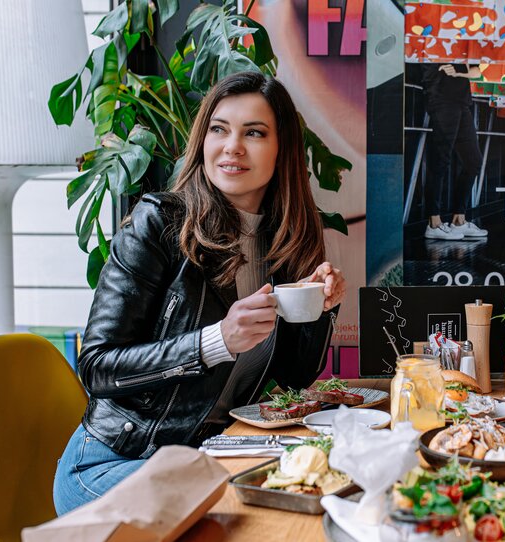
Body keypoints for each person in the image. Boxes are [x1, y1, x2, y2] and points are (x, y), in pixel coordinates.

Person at [53, 72, 346, 514]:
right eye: (219, 129)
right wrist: (216, 342)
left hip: (208, 457)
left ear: (282, 148)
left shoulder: (283, 242)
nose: (232, 147)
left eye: (254, 133)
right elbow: (97, 367)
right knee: (246, 509)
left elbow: (293, 379)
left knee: (319, 482)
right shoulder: (158, 224)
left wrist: (320, 309)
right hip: (114, 462)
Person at [420, 62, 487, 240]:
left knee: (474, 162)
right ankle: (434, 223)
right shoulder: (436, 47)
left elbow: (477, 71)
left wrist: (459, 72)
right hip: (441, 99)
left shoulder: (465, 49)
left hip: (462, 102)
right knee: (441, 160)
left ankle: (459, 220)